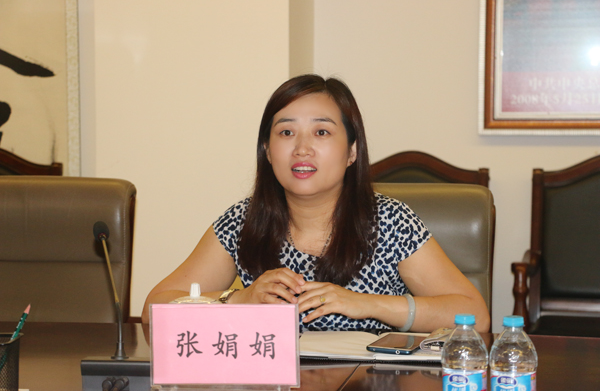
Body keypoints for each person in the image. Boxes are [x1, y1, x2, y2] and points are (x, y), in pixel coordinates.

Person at [142, 74, 490, 333]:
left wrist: (367, 304)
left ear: (352, 151)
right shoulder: (244, 221)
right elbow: (153, 309)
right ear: (267, 151)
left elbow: (475, 315)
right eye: (286, 132)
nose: (302, 148)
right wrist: (238, 299)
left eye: (321, 132)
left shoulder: (390, 221)